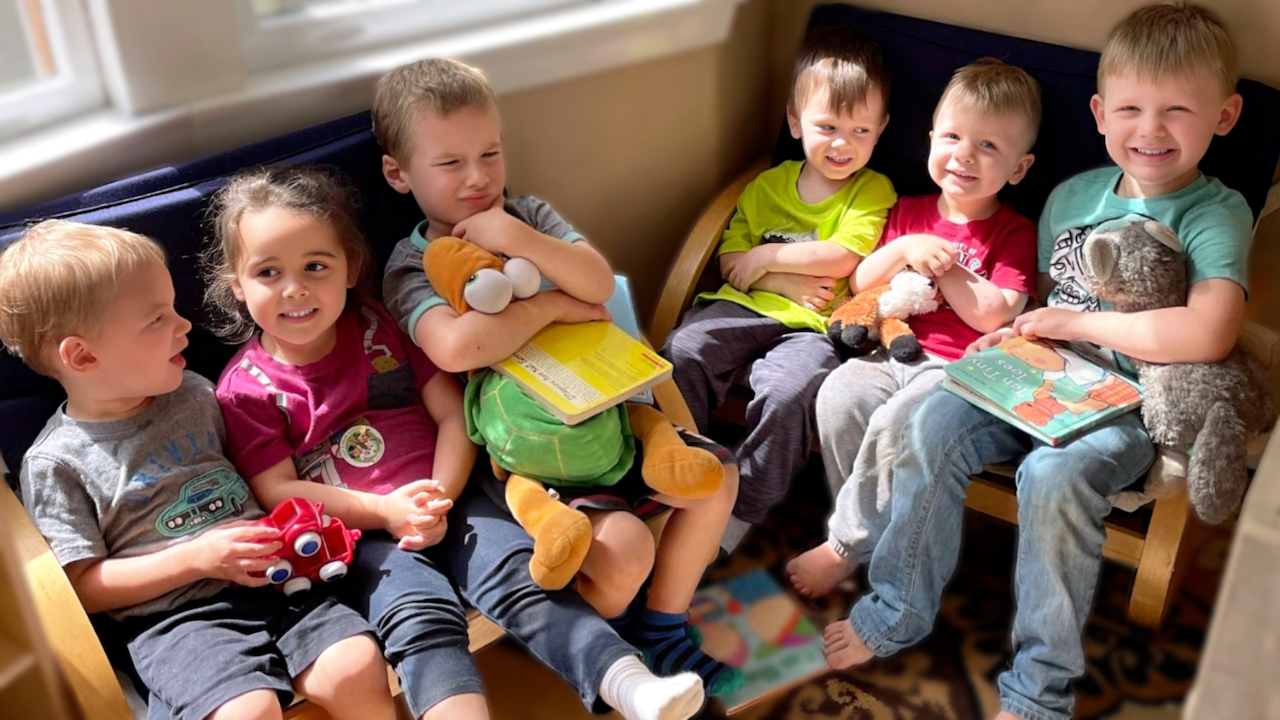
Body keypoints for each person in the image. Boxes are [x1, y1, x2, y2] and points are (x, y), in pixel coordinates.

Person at [822, 6, 1251, 720]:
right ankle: (897, 609)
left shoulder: (1214, 211)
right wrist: (1016, 335)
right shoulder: (1071, 197)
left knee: (1052, 476)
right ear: (1099, 113)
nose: (1150, 130)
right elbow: (1042, 303)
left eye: (1178, 111)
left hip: (1130, 397)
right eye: (1131, 109)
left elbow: (1208, 333)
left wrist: (1067, 323)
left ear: (1225, 116)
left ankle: (1038, 690)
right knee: (930, 421)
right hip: (1040, 371)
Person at [207, 165, 704, 720]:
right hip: (361, 535)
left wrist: (438, 494)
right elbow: (277, 490)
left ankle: (632, 686)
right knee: (421, 619)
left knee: (522, 579)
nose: (294, 289)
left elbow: (450, 413)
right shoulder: (245, 389)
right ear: (238, 287)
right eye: (268, 273)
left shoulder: (380, 324)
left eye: (315, 266)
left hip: (454, 494)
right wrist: (387, 512)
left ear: (350, 269)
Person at [376, 57, 742, 697]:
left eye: (490, 153)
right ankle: (611, 647)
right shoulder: (409, 264)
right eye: (450, 163)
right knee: (625, 547)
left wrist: (513, 234)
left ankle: (664, 626)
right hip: (534, 445)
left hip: (609, 404)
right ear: (398, 173)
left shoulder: (529, 216)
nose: (478, 177)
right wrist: (552, 305)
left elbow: (597, 283)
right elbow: (460, 348)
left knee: (720, 478)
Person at [0, 220, 393, 720]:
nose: (184, 326)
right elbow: (81, 587)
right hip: (178, 620)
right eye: (157, 319)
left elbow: (258, 469)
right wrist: (196, 559)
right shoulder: (57, 463)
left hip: (276, 581)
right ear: (82, 355)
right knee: (247, 711)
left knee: (357, 665)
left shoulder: (195, 392)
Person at [786, 58, 1040, 598]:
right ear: (930, 140)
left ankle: (847, 544)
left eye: (989, 146)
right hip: (890, 350)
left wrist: (948, 268)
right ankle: (869, 531)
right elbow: (861, 283)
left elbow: (997, 312)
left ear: (1019, 168)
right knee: (839, 396)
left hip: (957, 368)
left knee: (900, 421)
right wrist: (904, 248)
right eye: (952, 136)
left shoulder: (1015, 230)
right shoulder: (909, 211)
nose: (964, 155)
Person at [660, 25, 897, 551]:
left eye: (861, 131)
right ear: (795, 121)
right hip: (741, 307)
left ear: (881, 129)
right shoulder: (767, 185)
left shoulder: (872, 189)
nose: (843, 144)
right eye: (828, 126)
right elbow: (728, 264)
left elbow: (843, 258)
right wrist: (784, 278)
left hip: (813, 325)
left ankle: (743, 505)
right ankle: (676, 466)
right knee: (683, 350)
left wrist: (765, 257)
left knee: (791, 391)